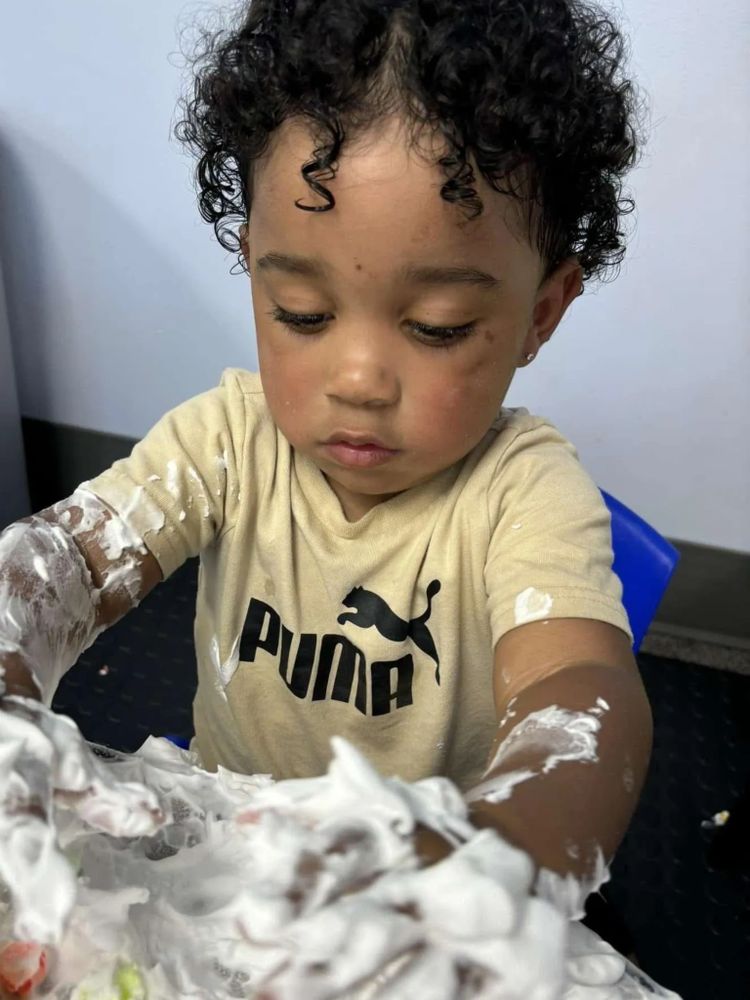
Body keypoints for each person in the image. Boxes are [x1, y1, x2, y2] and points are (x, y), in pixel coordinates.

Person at [0, 0, 652, 884]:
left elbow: (578, 692)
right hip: (226, 850)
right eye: (301, 314)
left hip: (414, 892)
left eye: (437, 326)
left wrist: (498, 861)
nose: (357, 379)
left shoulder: (521, 494)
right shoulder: (228, 440)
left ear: (540, 312)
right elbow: (61, 562)